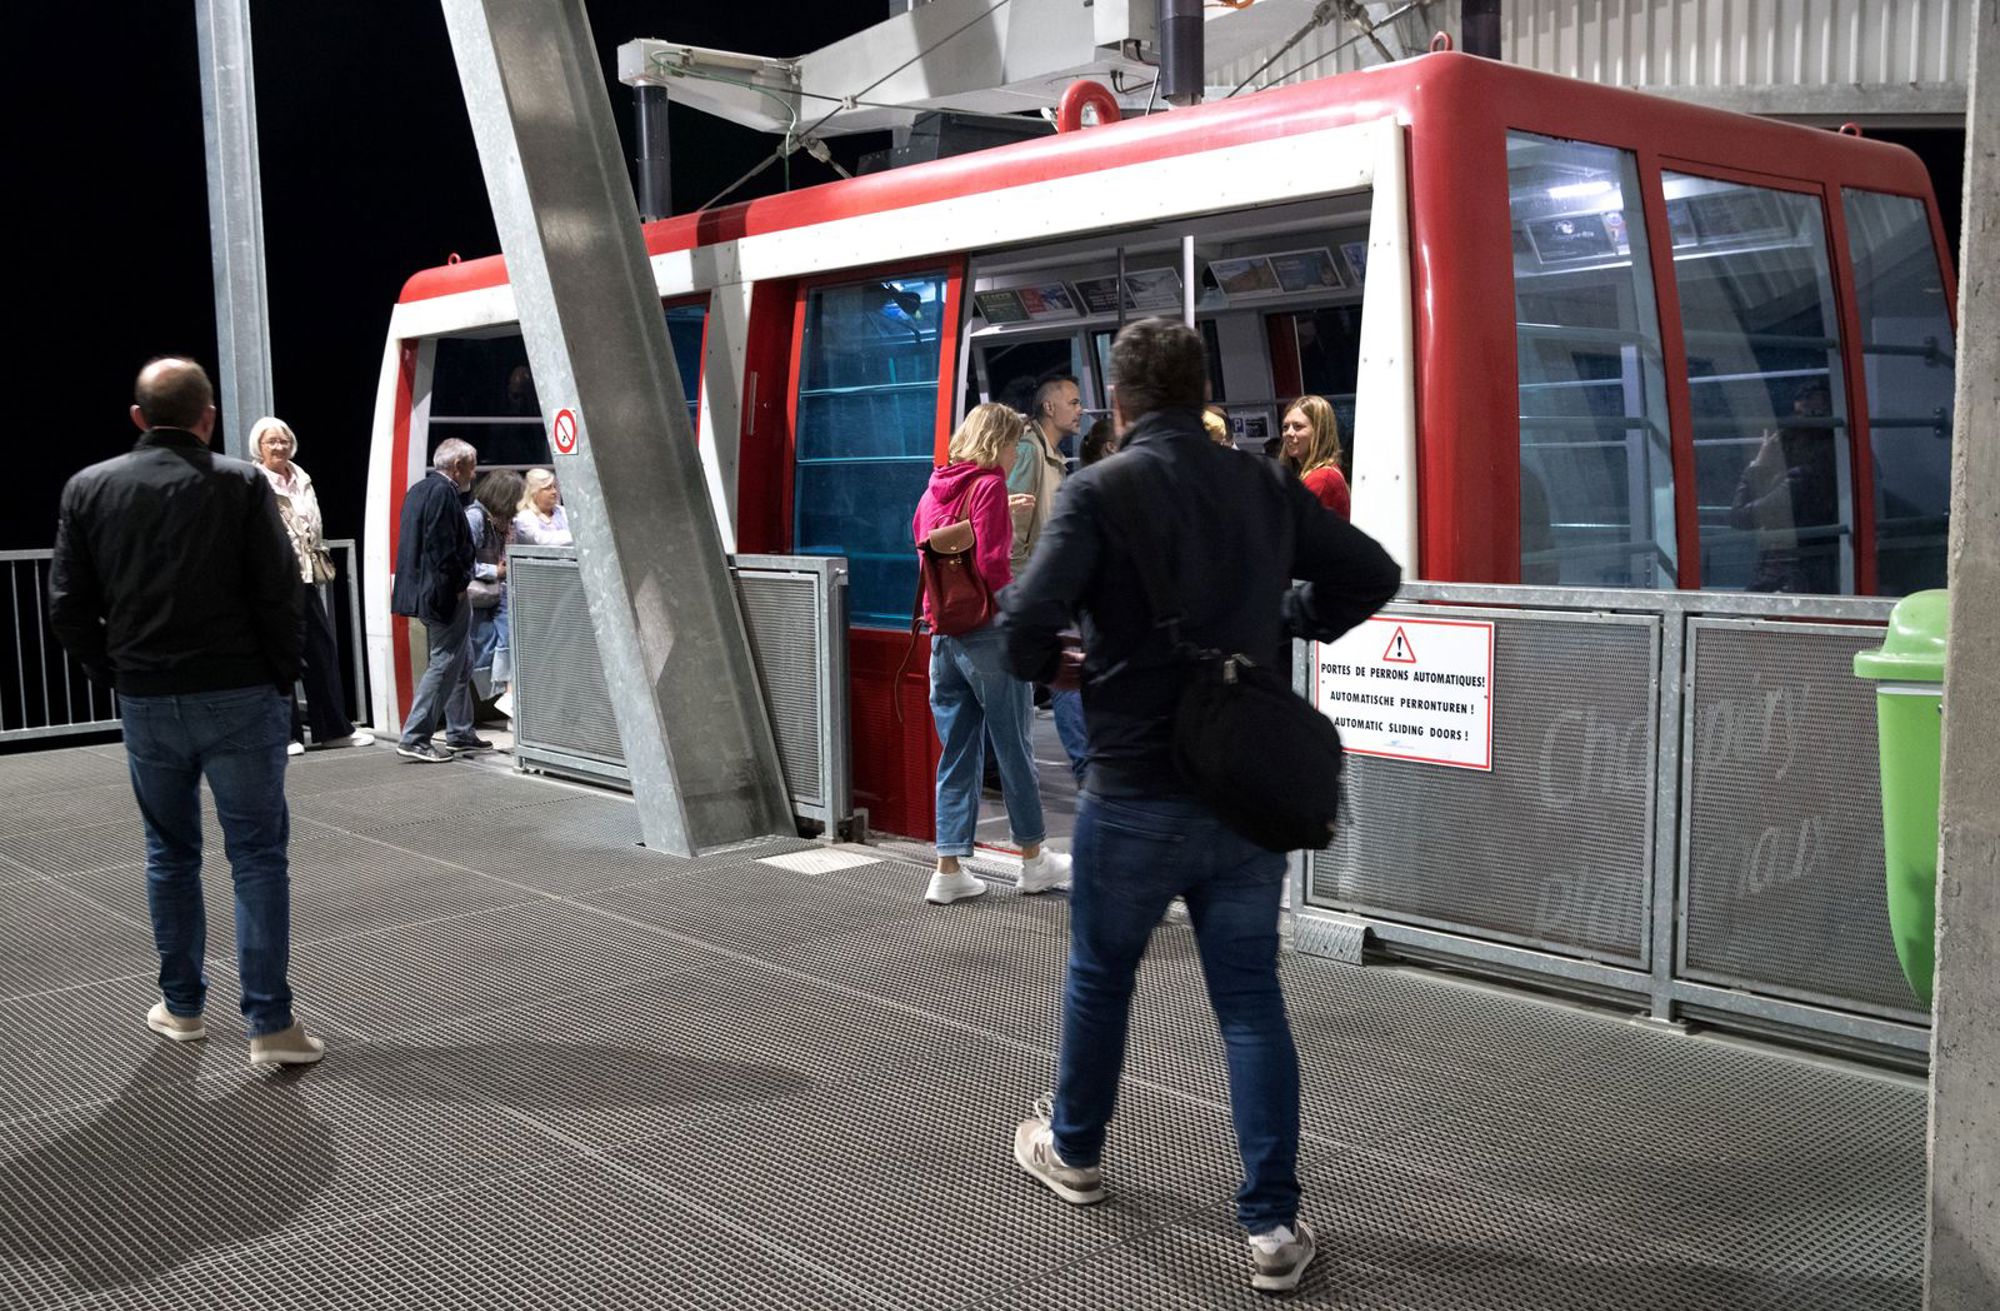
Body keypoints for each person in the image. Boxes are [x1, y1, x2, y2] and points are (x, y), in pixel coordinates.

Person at [1000, 319, 1400, 1294]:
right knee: (1250, 1002)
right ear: (1201, 392)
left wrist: (1065, 663)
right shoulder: (1261, 483)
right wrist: (1287, 618)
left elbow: (1023, 628)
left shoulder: (1099, 490)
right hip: (1240, 794)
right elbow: (1370, 574)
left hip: (1133, 788)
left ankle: (1076, 1151)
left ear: (1120, 401)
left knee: (1101, 977)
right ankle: (1272, 1225)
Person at [49, 357, 326, 1068]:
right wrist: (281, 677)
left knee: (169, 855)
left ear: (139, 417)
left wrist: (114, 672)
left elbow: (68, 606)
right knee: (257, 857)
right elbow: (280, 590)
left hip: (147, 698)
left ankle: (181, 1008)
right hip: (241, 695)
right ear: (208, 417)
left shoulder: (89, 487)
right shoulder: (241, 483)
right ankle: (270, 1025)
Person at [914, 402, 1072, 906]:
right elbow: (991, 564)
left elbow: (926, 549)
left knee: (957, 752)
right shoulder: (988, 486)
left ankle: (948, 869)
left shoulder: (935, 488)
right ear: (998, 442)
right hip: (987, 636)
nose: (1014, 455)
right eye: (1012, 445)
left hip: (943, 637)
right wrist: (1020, 617)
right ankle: (1033, 860)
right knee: (1013, 749)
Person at [248, 417, 374, 757]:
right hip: (273, 581)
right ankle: (286, 735)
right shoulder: (254, 482)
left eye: (283, 440)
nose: (279, 447)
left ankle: (333, 729)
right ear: (259, 447)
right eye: (271, 441)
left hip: (305, 577)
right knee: (280, 656)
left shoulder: (302, 478)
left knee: (321, 652)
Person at [1011, 376, 1091, 787]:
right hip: (1034, 591)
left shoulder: (1053, 457)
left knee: (1052, 680)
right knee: (1062, 680)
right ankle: (1086, 770)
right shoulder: (1030, 452)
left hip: (1046, 592)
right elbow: (1013, 523)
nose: (1080, 409)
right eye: (1073, 402)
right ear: (1049, 408)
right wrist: (1022, 587)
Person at [392, 439, 486, 762]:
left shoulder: (419, 489)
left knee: (463, 661)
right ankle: (415, 737)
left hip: (428, 592)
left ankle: (459, 733)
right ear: (458, 466)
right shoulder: (443, 493)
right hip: (444, 595)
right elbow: (442, 547)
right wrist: (458, 585)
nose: (474, 473)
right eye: (472, 465)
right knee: (445, 663)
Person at [1727, 381, 1841, 594]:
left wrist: (1758, 464)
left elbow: (1740, 517)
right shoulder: (1838, 465)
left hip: (1787, 576)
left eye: (1813, 415)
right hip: (1811, 571)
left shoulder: (1799, 479)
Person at [466, 469, 524, 715]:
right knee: (487, 646)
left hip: (498, 593)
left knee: (509, 641)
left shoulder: (502, 521)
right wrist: (495, 571)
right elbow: (462, 562)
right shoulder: (475, 519)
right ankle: (506, 697)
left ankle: (509, 696)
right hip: (482, 592)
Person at [1279, 395, 1351, 519]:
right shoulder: (1315, 474)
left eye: (1298, 426)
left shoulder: (1321, 479)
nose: (1288, 433)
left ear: (1319, 431)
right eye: (1285, 427)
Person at [513, 467, 572, 545]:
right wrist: (574, 537)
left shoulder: (563, 511)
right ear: (534, 492)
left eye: (554, 487)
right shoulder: (524, 518)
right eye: (548, 488)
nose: (554, 491)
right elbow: (540, 539)